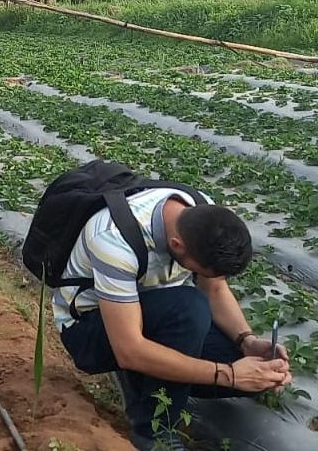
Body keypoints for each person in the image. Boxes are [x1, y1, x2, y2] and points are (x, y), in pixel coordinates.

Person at [54, 188, 292, 450]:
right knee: (189, 308)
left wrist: (246, 340)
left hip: (154, 316)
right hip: (92, 329)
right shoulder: (113, 239)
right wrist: (229, 375)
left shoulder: (203, 214)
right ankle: (153, 431)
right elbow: (129, 350)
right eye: (195, 268)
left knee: (254, 370)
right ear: (177, 245)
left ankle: (148, 378)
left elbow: (214, 289)